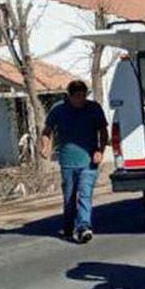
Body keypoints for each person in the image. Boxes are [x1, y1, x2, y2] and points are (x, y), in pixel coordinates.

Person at [41, 80, 108, 244]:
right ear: (69, 96)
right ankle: (68, 227)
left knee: (85, 194)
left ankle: (84, 226)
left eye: (84, 95)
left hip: (89, 161)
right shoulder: (58, 110)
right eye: (77, 96)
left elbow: (103, 131)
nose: (81, 99)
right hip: (67, 161)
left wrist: (100, 150)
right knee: (70, 198)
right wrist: (45, 146)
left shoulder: (94, 108)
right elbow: (46, 131)